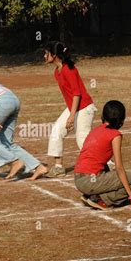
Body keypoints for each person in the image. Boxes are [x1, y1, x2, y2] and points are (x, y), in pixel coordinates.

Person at [74, 100, 131, 210]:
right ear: (122, 120)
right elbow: (119, 168)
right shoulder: (115, 135)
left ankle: (92, 195)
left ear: (103, 116)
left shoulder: (96, 130)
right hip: (89, 181)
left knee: (106, 168)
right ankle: (101, 200)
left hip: (79, 179)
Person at [43, 41, 97, 178]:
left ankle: (105, 164)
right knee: (56, 130)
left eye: (46, 53)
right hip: (74, 107)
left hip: (84, 107)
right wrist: (71, 113)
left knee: (82, 139)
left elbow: (77, 93)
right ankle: (58, 167)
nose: (44, 56)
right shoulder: (57, 72)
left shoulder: (69, 69)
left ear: (54, 55)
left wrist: (72, 116)